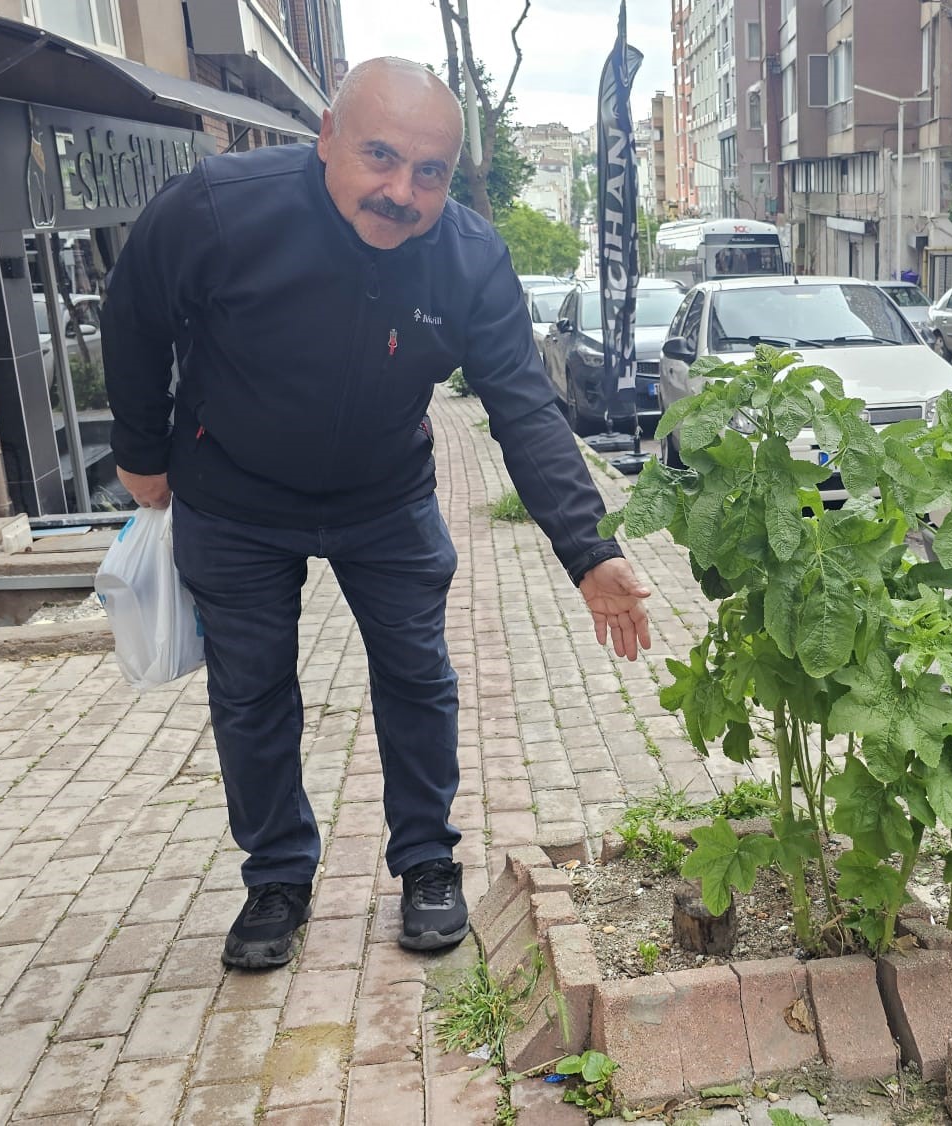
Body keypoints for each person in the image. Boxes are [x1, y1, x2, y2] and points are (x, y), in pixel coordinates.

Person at [103, 58, 654, 970]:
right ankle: (277, 876)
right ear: (326, 138)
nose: (402, 191)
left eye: (429, 172)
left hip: (384, 497)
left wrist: (589, 550)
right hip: (235, 495)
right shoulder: (217, 207)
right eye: (381, 157)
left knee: (416, 675)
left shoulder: (470, 259)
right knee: (252, 693)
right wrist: (141, 452)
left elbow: (521, 402)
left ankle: (427, 861)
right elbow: (133, 313)